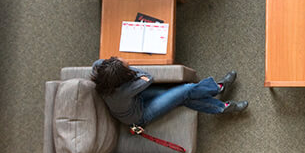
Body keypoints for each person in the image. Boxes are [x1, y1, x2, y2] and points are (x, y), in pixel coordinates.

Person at [91, 58, 247, 130]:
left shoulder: (99, 68)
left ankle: (223, 105)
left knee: (181, 97)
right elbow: (148, 77)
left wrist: (124, 70)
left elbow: (100, 62)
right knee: (186, 90)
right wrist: (130, 70)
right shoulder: (124, 92)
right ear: (122, 78)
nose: (125, 60)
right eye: (127, 66)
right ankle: (218, 90)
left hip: (135, 99)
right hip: (139, 115)